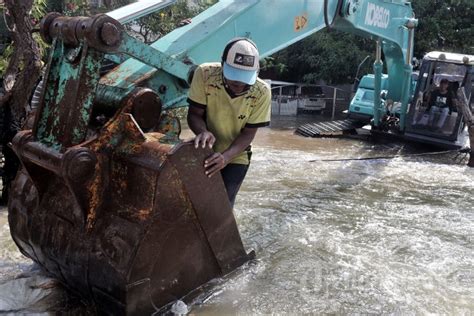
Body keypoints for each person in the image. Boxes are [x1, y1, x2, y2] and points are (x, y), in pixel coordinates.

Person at [186, 38, 271, 207]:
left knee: (223, 204)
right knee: (196, 200)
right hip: (205, 150)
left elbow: (248, 134)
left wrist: (225, 157)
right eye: (233, 79)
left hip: (236, 155)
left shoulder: (262, 92)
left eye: (244, 81)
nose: (238, 85)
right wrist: (202, 131)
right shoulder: (204, 74)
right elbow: (194, 114)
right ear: (223, 65)